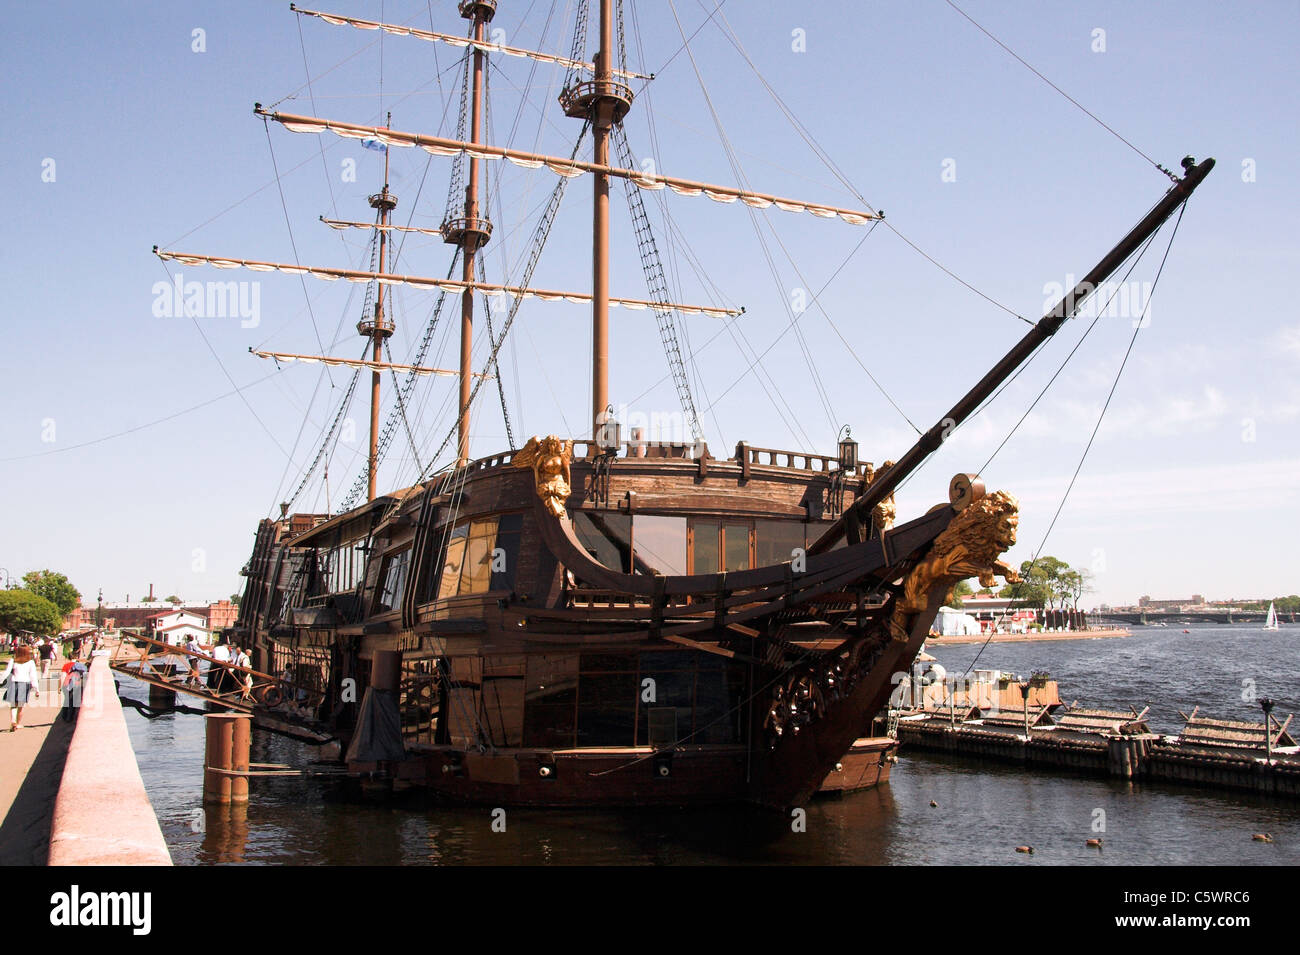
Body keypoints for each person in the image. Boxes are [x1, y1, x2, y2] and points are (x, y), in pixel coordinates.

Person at [1, 646, 41, 730]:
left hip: (14, 683)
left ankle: (13, 721)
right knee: (21, 706)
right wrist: (36, 689)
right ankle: (18, 723)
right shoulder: (30, 662)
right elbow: (33, 676)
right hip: (24, 684)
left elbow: (7, 672)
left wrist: (1, 680)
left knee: (13, 705)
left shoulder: (13, 661)